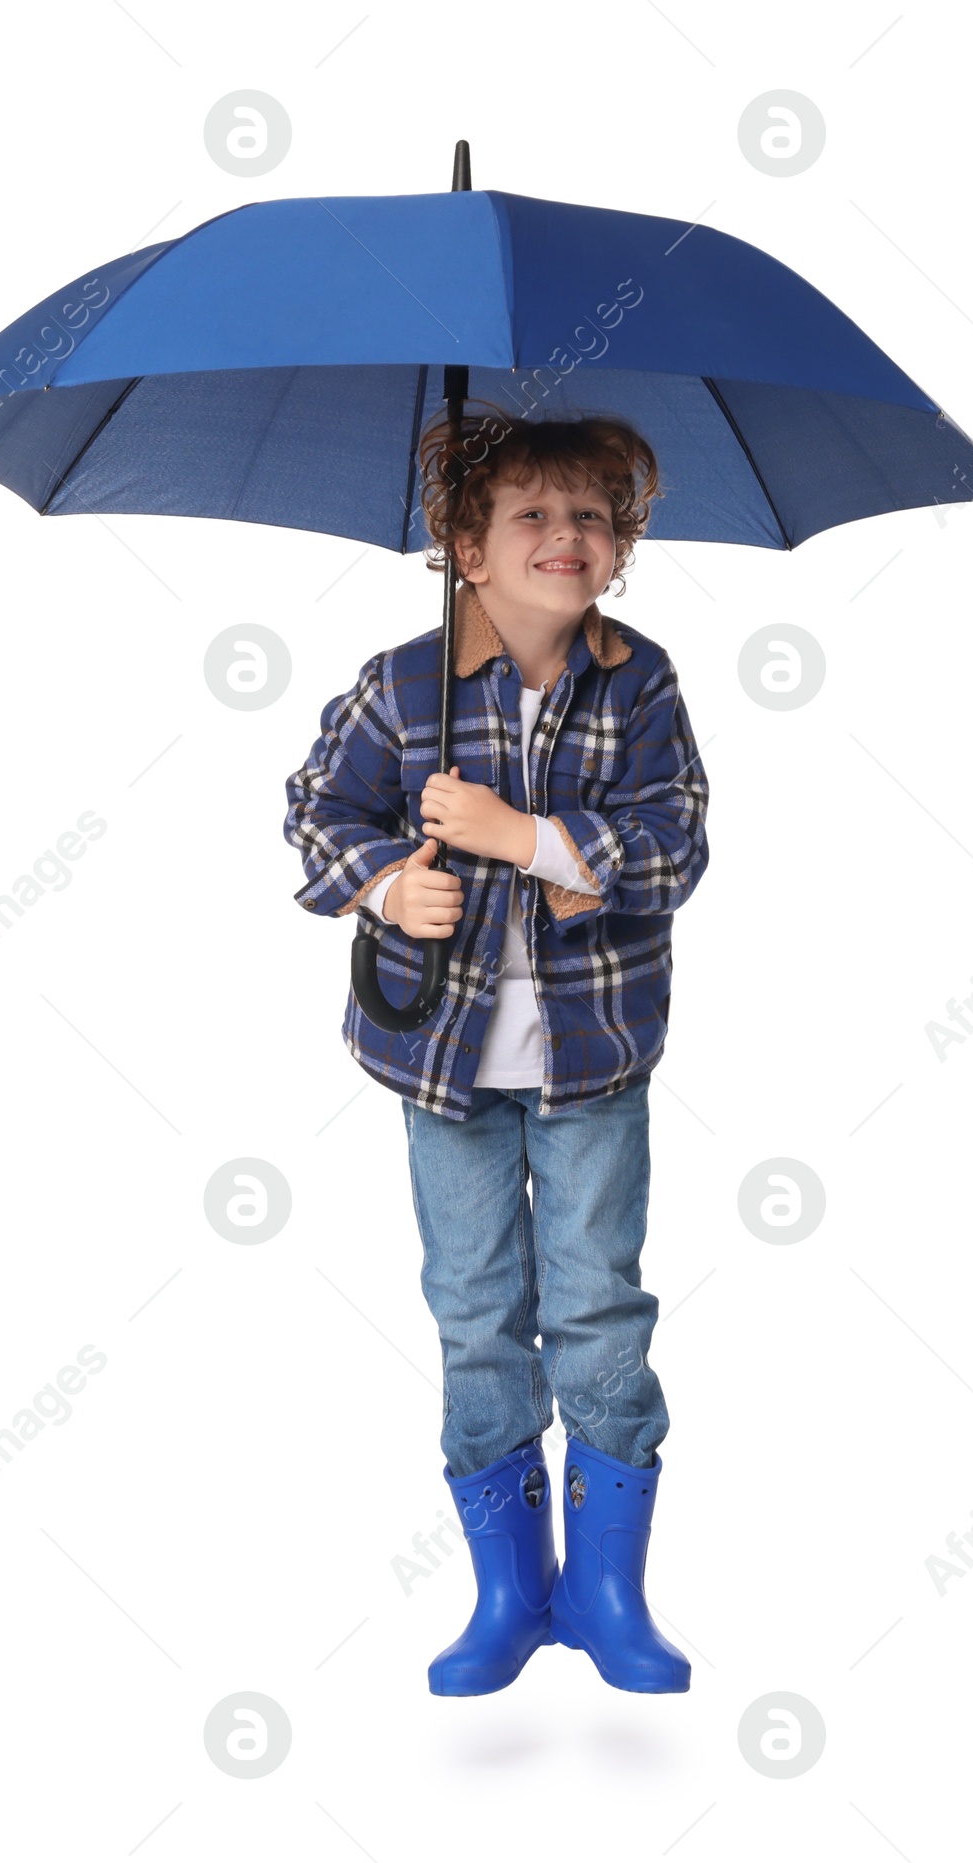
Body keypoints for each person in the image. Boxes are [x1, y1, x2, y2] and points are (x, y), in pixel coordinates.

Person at [283, 404, 710, 1695]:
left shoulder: (638, 683)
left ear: (623, 541)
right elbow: (314, 812)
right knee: (477, 1314)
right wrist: (383, 884)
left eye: (591, 514)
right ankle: (509, 1594)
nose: (565, 535)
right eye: (529, 513)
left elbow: (675, 846)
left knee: (597, 1312)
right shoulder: (401, 686)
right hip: (444, 1073)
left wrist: (523, 836)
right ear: (463, 542)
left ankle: (609, 1591)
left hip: (594, 1067)